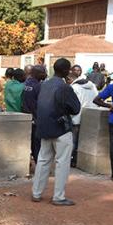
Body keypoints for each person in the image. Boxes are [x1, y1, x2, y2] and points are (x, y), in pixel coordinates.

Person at [31, 58, 81, 206]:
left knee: (42, 160)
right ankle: (58, 197)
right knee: (62, 162)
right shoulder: (65, 87)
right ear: (66, 71)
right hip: (61, 129)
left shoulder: (44, 85)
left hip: (44, 128)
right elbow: (76, 108)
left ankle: (36, 193)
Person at [68, 67, 98, 167]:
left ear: (70, 79)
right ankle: (81, 162)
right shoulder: (92, 86)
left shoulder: (74, 88)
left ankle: (72, 161)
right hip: (90, 118)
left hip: (76, 118)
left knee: (73, 141)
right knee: (84, 141)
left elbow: (72, 105)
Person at [23, 65, 47, 163]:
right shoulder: (38, 86)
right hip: (36, 118)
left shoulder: (26, 84)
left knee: (31, 143)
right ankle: (39, 164)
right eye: (43, 72)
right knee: (37, 144)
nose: (45, 74)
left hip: (28, 117)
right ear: (36, 73)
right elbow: (40, 104)